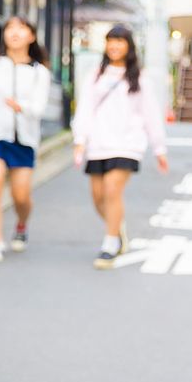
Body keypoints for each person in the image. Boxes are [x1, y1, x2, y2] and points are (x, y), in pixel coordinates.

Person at [72, 24, 168, 269]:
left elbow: (151, 113)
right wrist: (80, 141)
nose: (114, 46)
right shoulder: (95, 75)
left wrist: (159, 148)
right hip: (98, 144)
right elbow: (85, 109)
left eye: (120, 41)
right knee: (97, 197)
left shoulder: (139, 77)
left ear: (129, 46)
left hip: (128, 144)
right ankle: (117, 228)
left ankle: (110, 243)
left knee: (112, 190)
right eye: (110, 41)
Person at [0, 16, 51, 264]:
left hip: (23, 139)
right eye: (10, 27)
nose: (15, 32)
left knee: (21, 196)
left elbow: (40, 108)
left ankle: (21, 224)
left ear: (31, 36)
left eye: (21, 28)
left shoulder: (39, 72)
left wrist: (20, 107)